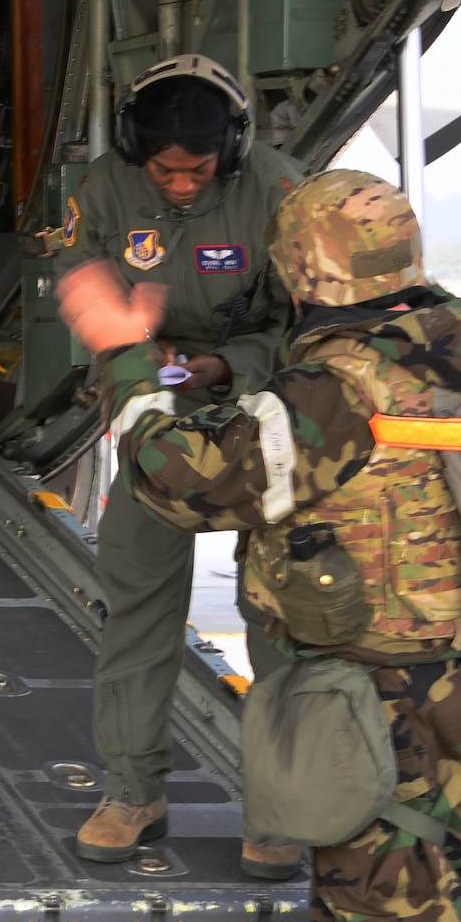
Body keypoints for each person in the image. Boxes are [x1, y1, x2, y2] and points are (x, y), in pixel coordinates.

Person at [60, 171, 461, 922]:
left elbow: (190, 478)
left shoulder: (339, 384)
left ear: (300, 264)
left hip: (382, 690)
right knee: (424, 892)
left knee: (400, 910)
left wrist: (127, 359)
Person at [55, 53, 303, 875]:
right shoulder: (101, 193)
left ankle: (274, 810)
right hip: (150, 415)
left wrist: (227, 365)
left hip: (258, 414)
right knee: (137, 603)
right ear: (135, 152)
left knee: (274, 614)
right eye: (164, 170)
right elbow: (85, 295)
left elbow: (311, 328)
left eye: (197, 171)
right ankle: (132, 792)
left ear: (229, 152)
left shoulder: (281, 195)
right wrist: (138, 373)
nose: (180, 185)